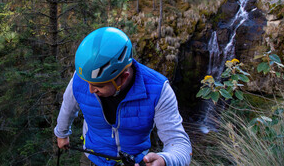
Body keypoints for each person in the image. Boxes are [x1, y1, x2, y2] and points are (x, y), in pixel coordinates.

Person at [54, 27, 192, 166]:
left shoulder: (158, 90)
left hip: (134, 161)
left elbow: (179, 143)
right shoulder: (80, 80)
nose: (90, 90)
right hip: (92, 158)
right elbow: (68, 107)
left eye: (99, 85)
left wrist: (165, 160)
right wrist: (62, 134)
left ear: (123, 78)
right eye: (88, 83)